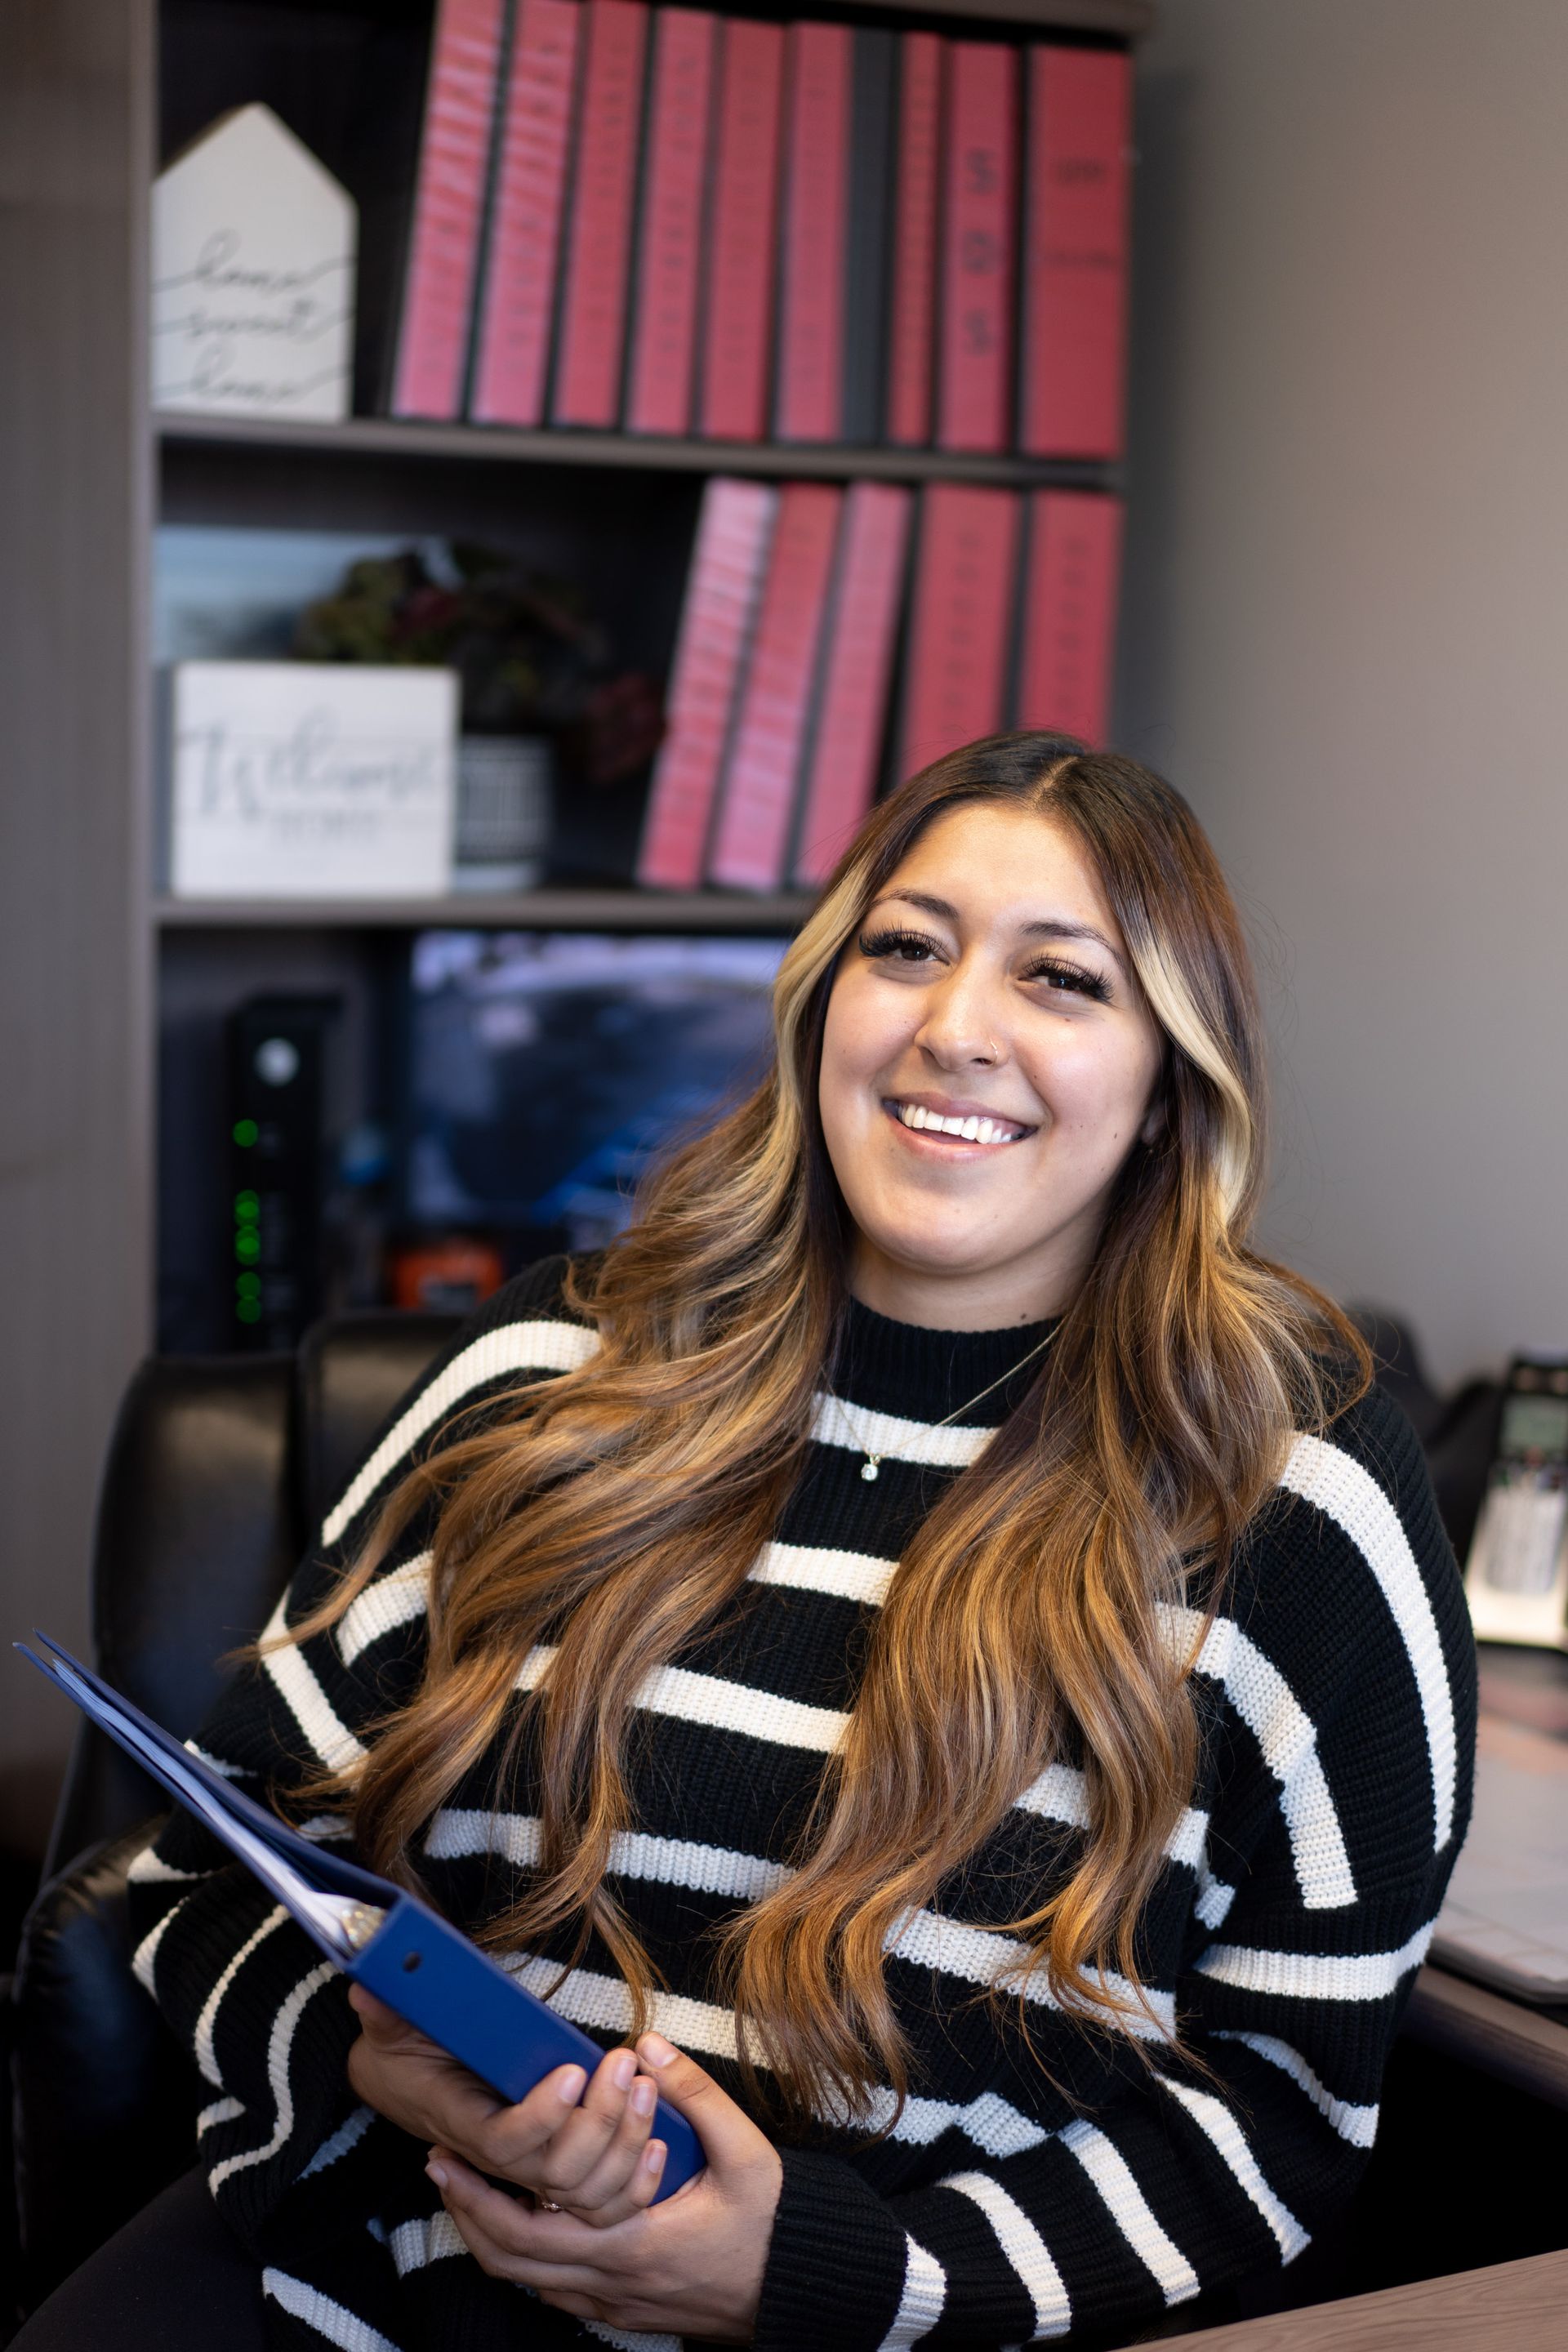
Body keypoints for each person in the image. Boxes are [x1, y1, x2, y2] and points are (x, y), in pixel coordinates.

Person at [24, 735, 1475, 2350]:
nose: (954, 1029)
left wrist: (826, 2275)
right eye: (905, 949)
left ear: (1163, 1090)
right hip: (378, 2279)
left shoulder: (1303, 1500)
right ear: (818, 1007)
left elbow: (1281, 2124)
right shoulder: (545, 1383)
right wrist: (371, 2070)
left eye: (1063, 981)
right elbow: (202, 1873)